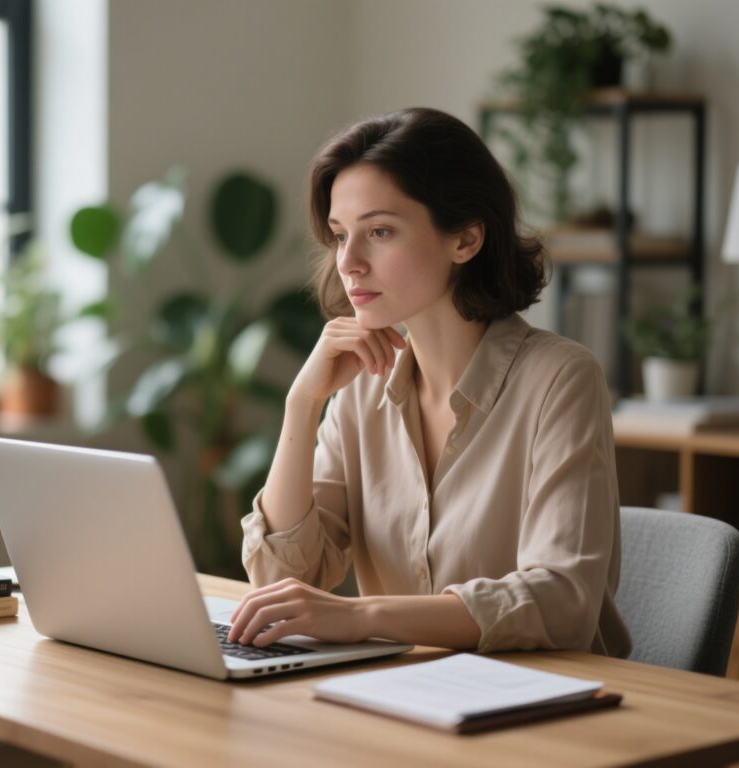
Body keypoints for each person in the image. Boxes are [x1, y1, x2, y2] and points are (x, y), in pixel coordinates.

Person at [227, 107, 631, 658]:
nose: (349, 262)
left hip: (541, 709)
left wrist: (361, 615)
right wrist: (302, 406)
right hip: (400, 699)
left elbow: (563, 601)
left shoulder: (561, 379)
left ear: (465, 240)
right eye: (341, 235)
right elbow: (282, 575)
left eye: (380, 232)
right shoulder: (360, 389)